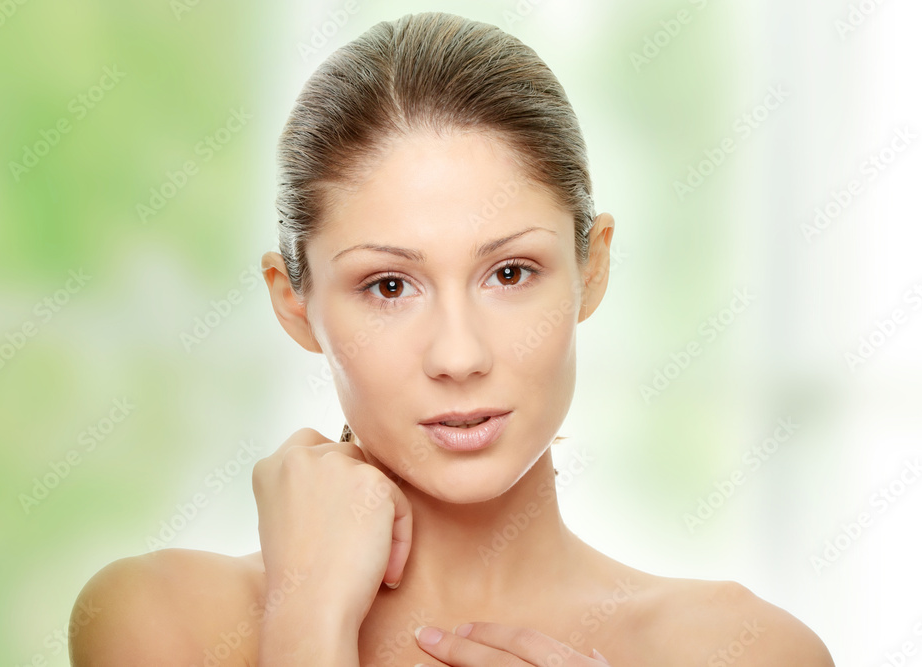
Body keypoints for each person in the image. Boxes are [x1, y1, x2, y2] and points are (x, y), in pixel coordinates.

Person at [69, 12, 834, 666]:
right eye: (388, 286)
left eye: (510, 272)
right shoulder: (166, 619)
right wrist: (307, 619)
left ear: (591, 267)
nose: (459, 357)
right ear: (294, 303)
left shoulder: (742, 649)